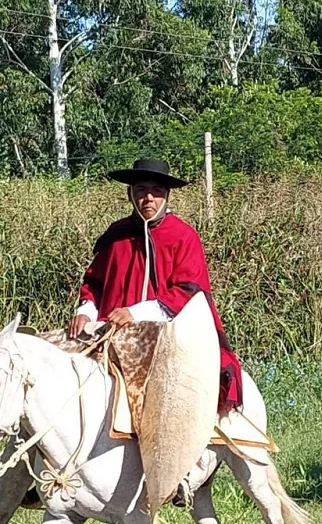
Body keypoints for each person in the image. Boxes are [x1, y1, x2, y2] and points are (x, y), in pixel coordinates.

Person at [68, 158, 243, 413]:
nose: (148, 198)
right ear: (130, 194)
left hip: (167, 336)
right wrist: (85, 311)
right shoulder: (116, 235)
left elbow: (188, 291)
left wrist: (135, 312)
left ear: (166, 196)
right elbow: (94, 281)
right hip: (110, 334)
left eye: (156, 191)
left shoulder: (183, 236)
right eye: (141, 190)